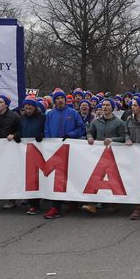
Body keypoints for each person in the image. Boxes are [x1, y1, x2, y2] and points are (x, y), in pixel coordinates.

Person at [41, 90, 86, 219]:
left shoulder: (73, 113)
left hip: (70, 149)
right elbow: (47, 129)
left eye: (62, 98)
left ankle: (73, 202)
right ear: (54, 101)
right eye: (58, 98)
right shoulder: (50, 114)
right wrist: (49, 143)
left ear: (66, 100)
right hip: (54, 150)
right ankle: (56, 207)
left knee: (71, 175)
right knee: (57, 178)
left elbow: (81, 129)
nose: (60, 100)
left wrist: (70, 135)